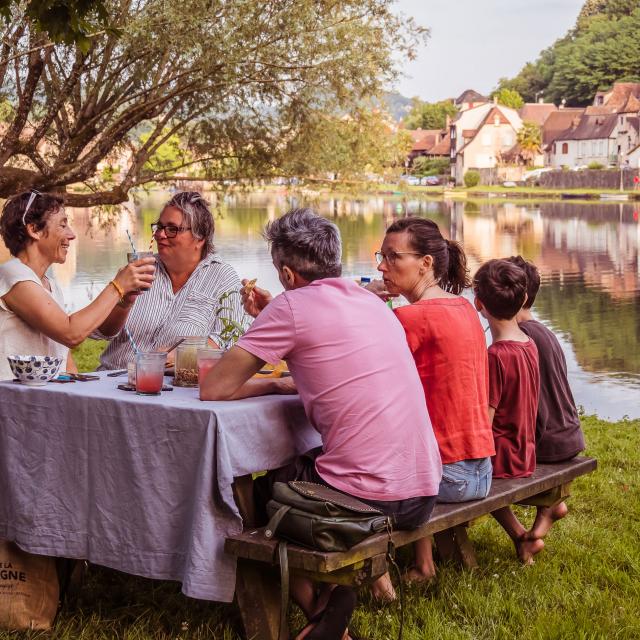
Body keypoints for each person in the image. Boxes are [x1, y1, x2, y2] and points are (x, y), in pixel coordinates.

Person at [200, 208, 442, 640]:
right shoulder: (368, 299)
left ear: (289, 274)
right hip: (422, 489)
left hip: (370, 499)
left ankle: (317, 620)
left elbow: (215, 387)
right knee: (303, 467)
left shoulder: (292, 306)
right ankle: (330, 614)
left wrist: (274, 388)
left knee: (255, 495)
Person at [370, 217, 494, 592]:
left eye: (393, 257)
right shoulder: (464, 307)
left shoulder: (410, 317)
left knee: (346, 467)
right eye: (382, 256)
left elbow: (365, 382)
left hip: (447, 476)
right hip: (480, 470)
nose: (381, 266)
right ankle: (424, 563)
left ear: (425, 263)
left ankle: (380, 580)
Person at [0, 190, 154, 381]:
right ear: (34, 230)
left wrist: (123, 299)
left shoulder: (49, 285)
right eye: (63, 225)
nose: (71, 235)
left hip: (42, 399)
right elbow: (70, 333)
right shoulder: (13, 275)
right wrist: (117, 286)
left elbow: (63, 354)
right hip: (11, 400)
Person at [94, 191, 244, 369]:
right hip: (111, 380)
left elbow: (228, 339)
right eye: (159, 226)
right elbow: (103, 332)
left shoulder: (222, 278)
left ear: (200, 238)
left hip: (172, 387)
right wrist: (123, 303)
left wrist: (181, 355)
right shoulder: (139, 270)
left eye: (172, 229)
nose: (160, 235)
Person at [506, 256, 585, 539]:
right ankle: (546, 516)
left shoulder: (519, 339)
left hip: (548, 444)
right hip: (570, 436)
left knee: (474, 470)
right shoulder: (544, 331)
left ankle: (519, 535)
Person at [472, 258, 542, 564]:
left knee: (464, 474)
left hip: (504, 457)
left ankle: (517, 536)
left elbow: (485, 422)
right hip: (525, 451)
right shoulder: (529, 343)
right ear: (524, 299)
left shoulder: (496, 356)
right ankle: (522, 540)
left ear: (478, 304)